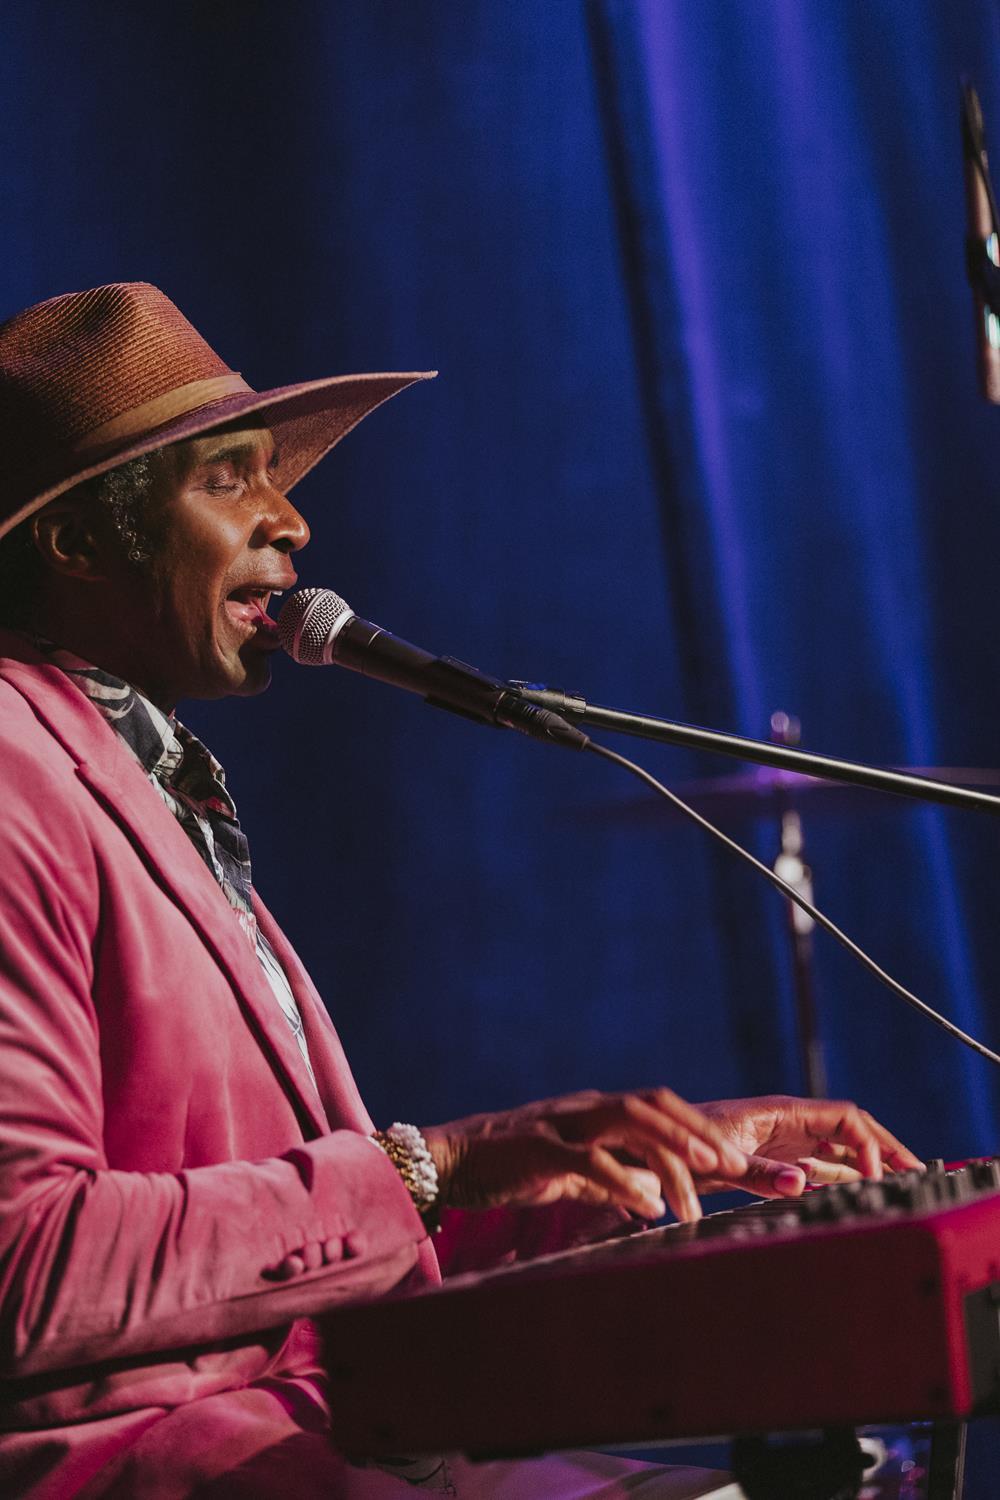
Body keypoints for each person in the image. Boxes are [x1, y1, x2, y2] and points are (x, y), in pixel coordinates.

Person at [0, 283, 920, 1500]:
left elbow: (281, 1246)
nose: (291, 520)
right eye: (227, 480)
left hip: (333, 1440)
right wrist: (434, 1167)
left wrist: (575, 1179)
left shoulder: (138, 774)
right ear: (76, 543)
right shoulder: (12, 771)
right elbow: (28, 1271)